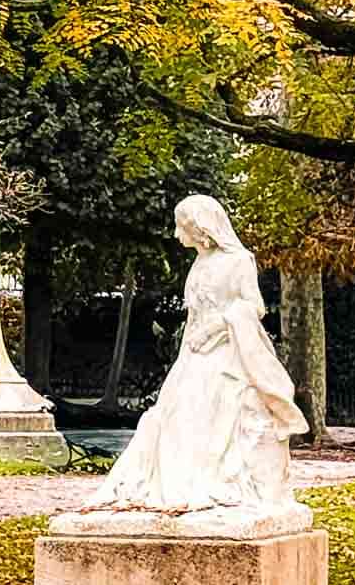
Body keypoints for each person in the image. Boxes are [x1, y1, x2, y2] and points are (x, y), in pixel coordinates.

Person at [84, 194, 309, 518]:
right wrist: (187, 350)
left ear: (200, 228)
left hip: (228, 353)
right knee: (176, 413)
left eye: (182, 227)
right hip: (195, 353)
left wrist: (219, 325)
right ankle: (177, 481)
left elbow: (254, 306)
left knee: (218, 411)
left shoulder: (239, 261)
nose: (177, 235)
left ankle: (214, 482)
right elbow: (194, 314)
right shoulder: (200, 262)